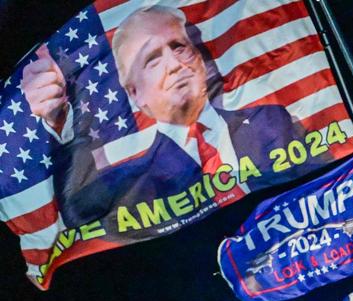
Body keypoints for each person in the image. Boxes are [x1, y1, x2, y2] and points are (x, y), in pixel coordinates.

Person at [20, 5, 324, 231]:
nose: (175, 63)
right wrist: (60, 125)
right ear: (135, 93)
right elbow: (79, 212)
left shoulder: (270, 119)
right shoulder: (134, 178)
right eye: (153, 60)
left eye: (179, 47)